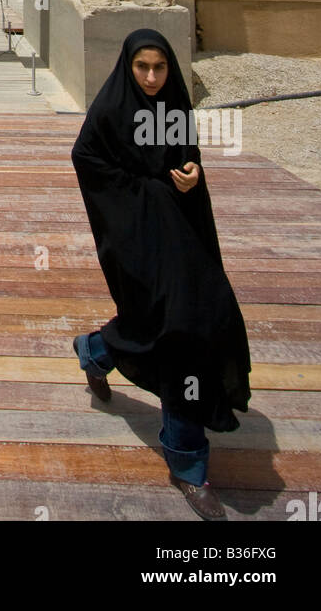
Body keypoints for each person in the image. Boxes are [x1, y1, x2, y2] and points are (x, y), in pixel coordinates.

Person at [70, 29, 251, 522]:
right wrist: (141, 193)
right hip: (136, 235)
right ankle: (188, 463)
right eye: (142, 68)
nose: (151, 78)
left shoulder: (173, 108)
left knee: (187, 323)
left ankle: (96, 350)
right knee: (176, 331)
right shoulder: (110, 112)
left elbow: (185, 156)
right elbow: (85, 158)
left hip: (180, 232)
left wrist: (192, 174)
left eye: (160, 68)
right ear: (127, 67)